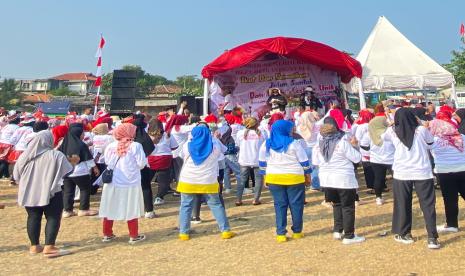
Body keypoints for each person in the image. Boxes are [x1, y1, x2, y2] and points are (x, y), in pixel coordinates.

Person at [384, 108, 440, 249]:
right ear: (413, 117)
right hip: (422, 172)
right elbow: (432, 143)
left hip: (402, 173)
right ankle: (432, 238)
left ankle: (404, 234)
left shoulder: (392, 132)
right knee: (428, 206)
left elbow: (382, 138)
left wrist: (392, 124)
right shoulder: (420, 130)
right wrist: (419, 122)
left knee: (402, 204)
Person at [14, 130, 74, 257]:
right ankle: (49, 247)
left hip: (29, 191)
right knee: (53, 217)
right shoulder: (56, 155)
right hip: (51, 191)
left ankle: (34, 246)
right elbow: (67, 172)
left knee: (33, 217)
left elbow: (16, 175)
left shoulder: (25, 155)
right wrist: (73, 162)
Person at [176, 125, 235, 241]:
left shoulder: (187, 146)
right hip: (208, 180)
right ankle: (225, 231)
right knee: (216, 205)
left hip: (188, 179)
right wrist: (213, 137)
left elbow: (182, 156)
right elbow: (224, 150)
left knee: (186, 205)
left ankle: (184, 233)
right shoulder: (215, 145)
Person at [312, 117, 365, 245]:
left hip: (327, 179)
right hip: (343, 179)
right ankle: (349, 235)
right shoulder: (341, 143)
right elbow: (357, 158)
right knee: (348, 207)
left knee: (336, 204)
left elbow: (315, 162)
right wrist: (355, 146)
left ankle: (338, 230)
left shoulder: (317, 146)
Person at [258, 120, 311, 242]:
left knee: (279, 205)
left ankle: (281, 233)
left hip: (274, 178)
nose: (292, 131)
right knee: (296, 205)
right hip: (294, 178)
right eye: (290, 129)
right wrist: (307, 176)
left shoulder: (267, 143)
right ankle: (297, 232)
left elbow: (262, 162)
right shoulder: (294, 143)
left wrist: (265, 177)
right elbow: (304, 161)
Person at [99, 123, 147, 244]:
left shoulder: (110, 146)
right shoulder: (135, 146)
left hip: (112, 182)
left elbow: (107, 161)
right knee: (131, 207)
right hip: (130, 181)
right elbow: (141, 163)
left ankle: (107, 233)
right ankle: (133, 235)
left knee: (109, 206)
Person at [429, 111, 465, 233]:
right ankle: (451, 224)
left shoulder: (434, 141)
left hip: (445, 172)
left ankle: (452, 224)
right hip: (463, 169)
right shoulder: (462, 137)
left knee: (450, 199)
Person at [59, 123, 100, 217]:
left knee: (68, 192)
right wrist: (95, 168)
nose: (84, 135)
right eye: (82, 134)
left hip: (67, 172)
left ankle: (67, 210)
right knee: (85, 189)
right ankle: (83, 209)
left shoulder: (64, 144)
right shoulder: (81, 145)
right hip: (80, 171)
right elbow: (88, 159)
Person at [147, 119, 178, 207]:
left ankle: (144, 195)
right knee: (163, 180)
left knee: (147, 179)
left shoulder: (147, 134)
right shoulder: (167, 134)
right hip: (165, 158)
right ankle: (159, 197)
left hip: (151, 158)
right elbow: (174, 147)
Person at [236, 117, 265, 206]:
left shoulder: (240, 133)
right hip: (257, 159)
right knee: (258, 180)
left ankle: (239, 199)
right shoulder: (262, 133)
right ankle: (256, 199)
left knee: (242, 179)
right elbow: (264, 145)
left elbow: (238, 144)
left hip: (244, 159)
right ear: (257, 124)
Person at [368, 110, 394, 205]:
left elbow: (365, 145)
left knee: (378, 178)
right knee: (397, 178)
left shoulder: (371, 133)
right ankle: (399, 196)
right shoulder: (389, 132)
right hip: (391, 159)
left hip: (376, 159)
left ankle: (378, 198)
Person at [297, 111, 321, 190]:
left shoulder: (299, 128)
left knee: (307, 167)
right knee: (316, 167)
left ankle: (308, 182)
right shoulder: (317, 126)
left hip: (305, 149)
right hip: (316, 148)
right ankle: (315, 185)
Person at [353, 109, 375, 192]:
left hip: (364, 149)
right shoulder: (372, 124)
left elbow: (357, 138)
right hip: (374, 149)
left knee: (368, 169)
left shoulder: (361, 126)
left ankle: (371, 187)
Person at [90, 123, 114, 194]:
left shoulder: (95, 137)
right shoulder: (109, 137)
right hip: (105, 158)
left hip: (96, 159)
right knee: (105, 174)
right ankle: (105, 189)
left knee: (95, 175)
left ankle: (92, 189)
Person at [0, 111, 20, 178]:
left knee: (2, 160)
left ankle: (6, 175)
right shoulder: (17, 128)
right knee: (6, 162)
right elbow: (15, 138)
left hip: (1, 143)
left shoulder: (6, 126)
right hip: (8, 144)